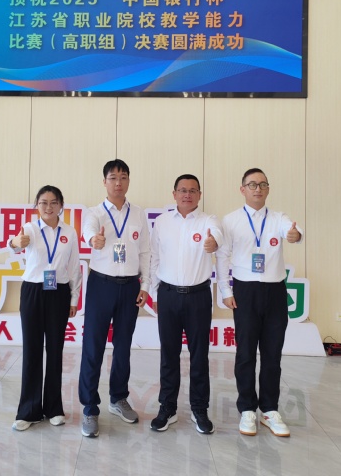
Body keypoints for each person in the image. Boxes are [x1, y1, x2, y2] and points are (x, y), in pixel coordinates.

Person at [216, 168, 303, 437]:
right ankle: (246, 409)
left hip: (275, 291)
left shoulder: (278, 218)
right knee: (245, 353)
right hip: (245, 291)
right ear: (242, 189)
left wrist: (296, 235)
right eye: (252, 184)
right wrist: (225, 290)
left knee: (272, 353)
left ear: (268, 189)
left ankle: (269, 409)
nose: (258, 189)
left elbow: (294, 230)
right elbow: (222, 256)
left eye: (263, 184)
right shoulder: (231, 220)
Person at [148, 174, 229, 434]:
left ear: (199, 195)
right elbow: (154, 257)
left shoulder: (209, 221)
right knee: (168, 355)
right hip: (168, 295)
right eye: (182, 190)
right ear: (174, 194)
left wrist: (214, 242)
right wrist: (154, 292)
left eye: (193, 190)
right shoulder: (162, 222)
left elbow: (218, 236)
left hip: (198, 297)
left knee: (199, 355)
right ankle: (167, 407)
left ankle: (199, 409)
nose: (187, 195)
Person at [78, 159, 150, 438]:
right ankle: (89, 408)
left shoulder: (138, 214)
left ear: (129, 180)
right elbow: (88, 232)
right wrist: (93, 240)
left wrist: (145, 285)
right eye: (113, 177)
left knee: (123, 347)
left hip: (130, 286)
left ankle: (118, 398)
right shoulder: (94, 213)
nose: (118, 182)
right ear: (104, 182)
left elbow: (145, 252)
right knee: (93, 346)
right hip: (101, 284)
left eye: (123, 177)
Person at [8, 185, 81, 431]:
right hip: (32, 291)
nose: (48, 207)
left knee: (55, 350)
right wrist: (14, 242)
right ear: (36, 205)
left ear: (61, 205)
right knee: (32, 350)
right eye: (43, 202)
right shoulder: (29, 228)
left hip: (59, 293)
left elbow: (74, 267)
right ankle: (28, 411)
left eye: (53, 202)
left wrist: (74, 299)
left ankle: (54, 408)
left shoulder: (69, 232)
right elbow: (14, 244)